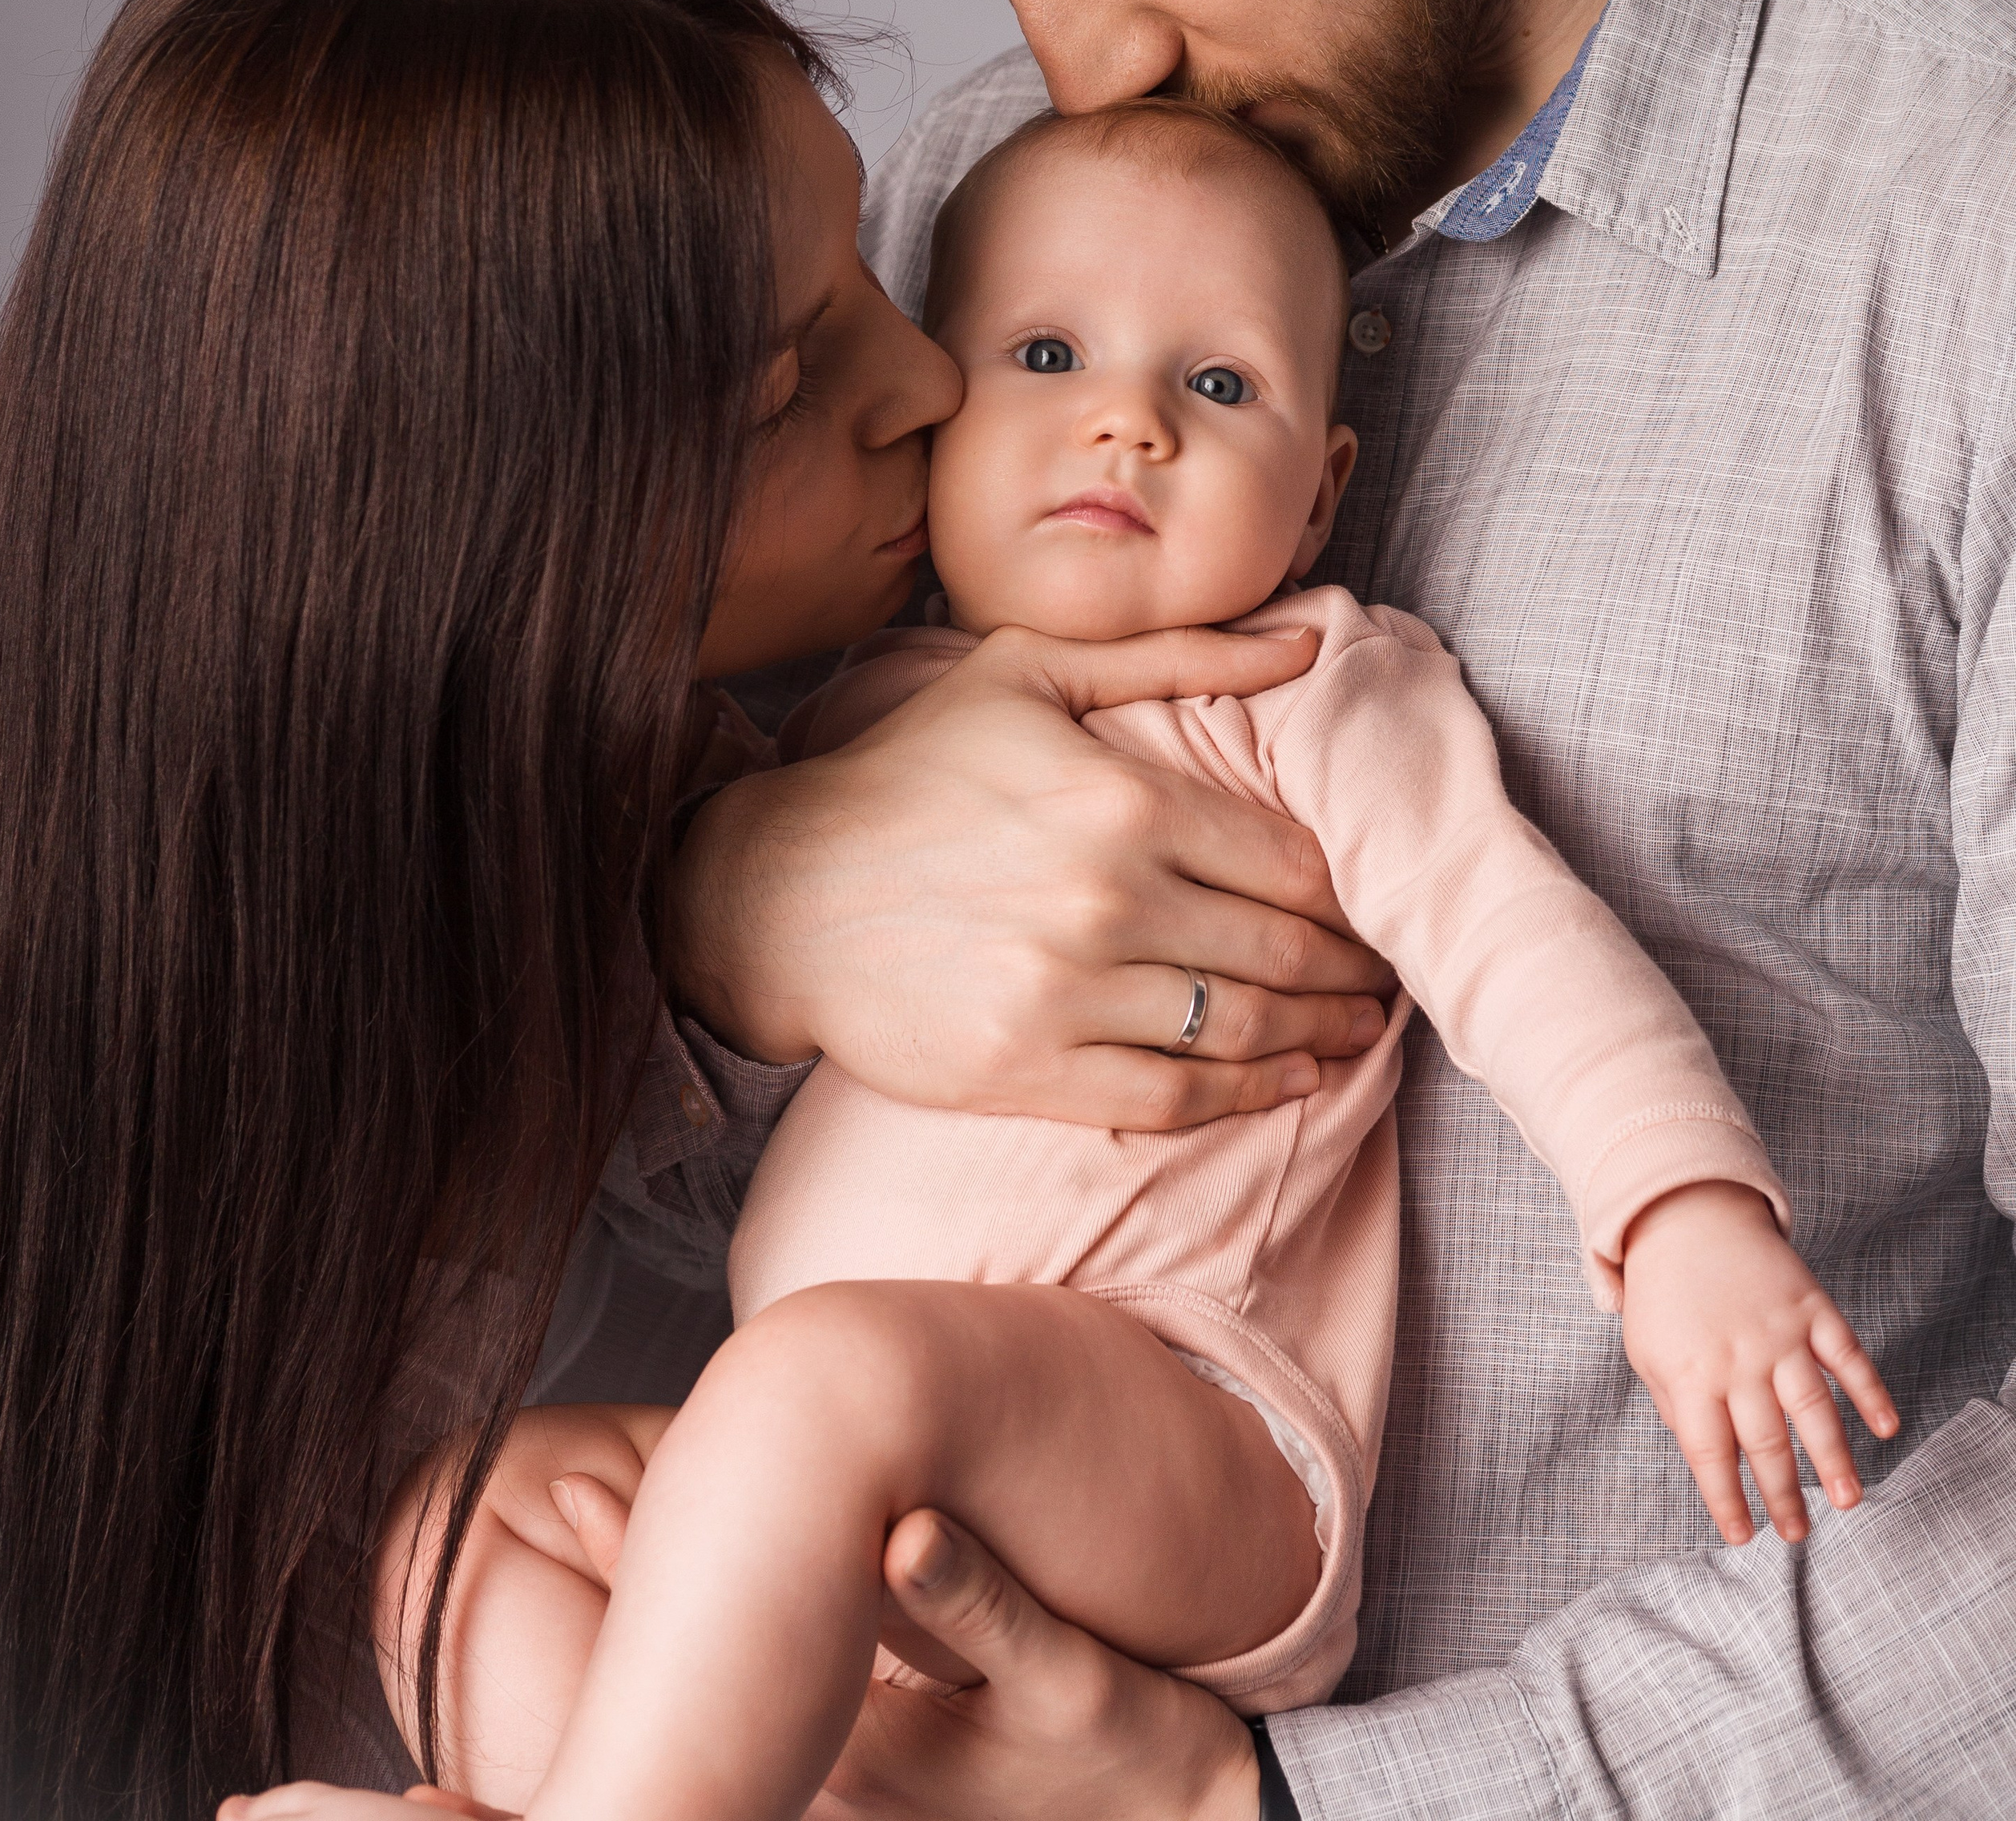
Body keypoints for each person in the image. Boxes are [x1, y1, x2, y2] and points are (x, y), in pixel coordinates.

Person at [667, 0, 2016, 1815]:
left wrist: (1276, 1810)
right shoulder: (965, 215)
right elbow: (582, 1122)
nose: (1074, 66)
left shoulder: (1974, 229)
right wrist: (725, 905)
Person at [0, 0, 1387, 1821]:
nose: (937, 386)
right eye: (794, 387)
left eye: (882, 278)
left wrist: (731, 882)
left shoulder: (925, 700)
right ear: (471, 550)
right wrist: (727, 915)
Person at [308, 100, 1890, 1821]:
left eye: (1215, 387)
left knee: (804, 1383)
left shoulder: (1301, 691)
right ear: (932, 423)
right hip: (844, 1474)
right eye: (1047, 353)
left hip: (1183, 1432)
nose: (1124, 420)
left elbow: (1512, 931)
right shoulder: (835, 709)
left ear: (1314, 499)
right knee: (463, 1527)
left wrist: (1677, 1212)